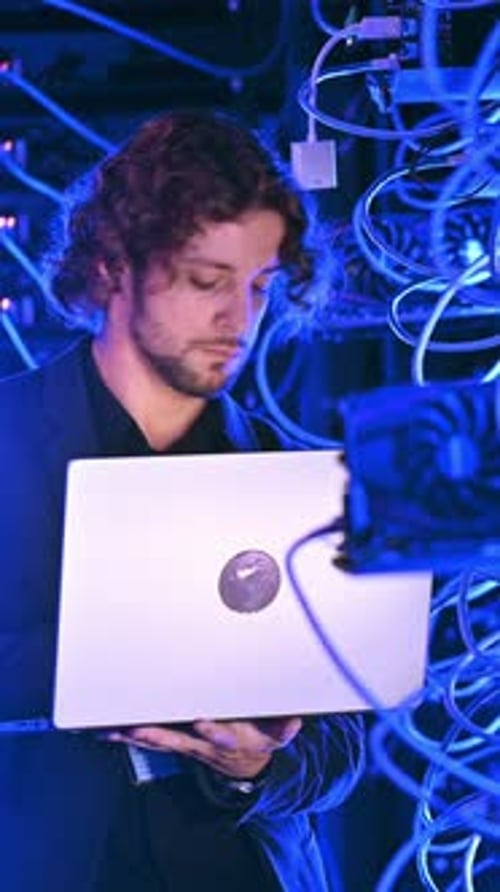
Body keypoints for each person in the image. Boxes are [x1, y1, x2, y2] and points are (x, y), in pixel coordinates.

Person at [0, 109, 364, 892]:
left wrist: (258, 764)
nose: (239, 321)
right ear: (111, 269)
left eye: (260, 287)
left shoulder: (294, 476)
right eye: (207, 280)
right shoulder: (8, 441)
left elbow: (342, 746)